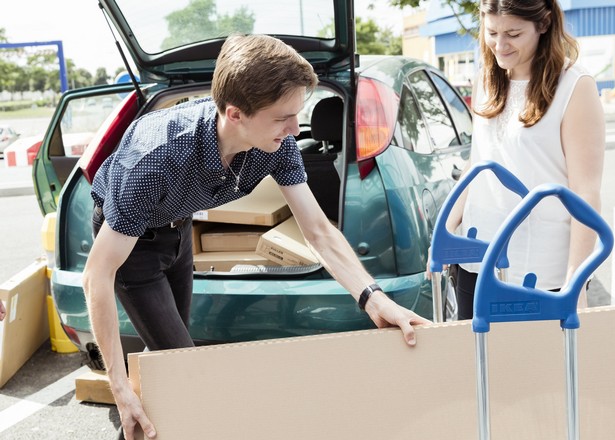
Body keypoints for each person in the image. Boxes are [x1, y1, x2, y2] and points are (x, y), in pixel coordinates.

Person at [82, 34, 431, 440]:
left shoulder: (276, 143)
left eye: (297, 114)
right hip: (132, 246)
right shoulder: (155, 158)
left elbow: (319, 231)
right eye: (283, 117)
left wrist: (374, 298)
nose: (295, 128)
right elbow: (97, 275)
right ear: (235, 114)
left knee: (164, 360)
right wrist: (118, 386)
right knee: (183, 368)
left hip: (178, 228)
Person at [439, 0, 605, 320]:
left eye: (513, 34)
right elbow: (478, 162)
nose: (500, 45)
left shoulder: (574, 86)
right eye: (492, 33)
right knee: (478, 352)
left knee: (537, 354)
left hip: (542, 271)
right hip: (477, 260)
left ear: (543, 24)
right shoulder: (485, 79)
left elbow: (585, 192)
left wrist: (577, 280)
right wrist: (445, 230)